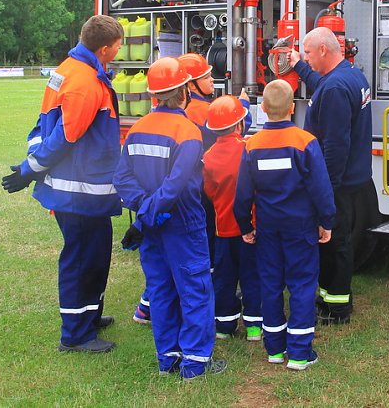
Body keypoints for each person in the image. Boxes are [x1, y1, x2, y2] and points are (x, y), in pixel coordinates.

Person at [1, 14, 123, 354]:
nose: (117, 52)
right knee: (82, 259)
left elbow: (43, 124)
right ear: (103, 48)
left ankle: (89, 316)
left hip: (83, 187)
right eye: (116, 47)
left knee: (95, 256)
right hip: (78, 191)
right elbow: (63, 136)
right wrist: (29, 170)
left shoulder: (68, 69)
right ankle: (76, 335)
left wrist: (32, 168)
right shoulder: (84, 82)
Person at [113, 57, 226, 380]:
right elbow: (175, 187)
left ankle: (168, 360)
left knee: (161, 290)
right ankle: (194, 364)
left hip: (152, 228)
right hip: (183, 224)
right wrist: (150, 212)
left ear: (153, 96)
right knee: (194, 291)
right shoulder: (187, 132)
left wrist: (143, 214)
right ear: (183, 93)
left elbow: (122, 179)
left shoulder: (136, 130)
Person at [131, 52, 252, 325]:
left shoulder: (156, 120)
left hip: (169, 196)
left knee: (161, 262)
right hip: (194, 198)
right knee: (194, 258)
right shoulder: (200, 111)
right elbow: (232, 130)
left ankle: (146, 308)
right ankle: (174, 315)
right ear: (189, 86)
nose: (212, 80)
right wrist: (242, 104)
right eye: (206, 77)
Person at [233, 80, 335, 370]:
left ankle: (275, 350)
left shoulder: (251, 145)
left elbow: (242, 193)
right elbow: (321, 188)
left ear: (263, 109)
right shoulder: (305, 142)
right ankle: (300, 354)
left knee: (270, 284)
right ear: (293, 108)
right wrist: (326, 220)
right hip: (300, 226)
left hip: (267, 228)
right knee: (302, 285)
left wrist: (244, 225)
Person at [288, 27, 376, 325]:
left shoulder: (336, 88)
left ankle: (336, 308)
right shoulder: (351, 75)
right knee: (338, 240)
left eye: (309, 53)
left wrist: (324, 188)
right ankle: (330, 297)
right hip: (357, 178)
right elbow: (322, 84)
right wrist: (298, 64)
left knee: (335, 242)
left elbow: (335, 146)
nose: (308, 59)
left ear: (324, 50)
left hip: (338, 182)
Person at [202, 95, 262, 342]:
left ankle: (224, 326)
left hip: (223, 229)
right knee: (252, 277)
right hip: (250, 229)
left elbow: (208, 190)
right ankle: (254, 327)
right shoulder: (248, 149)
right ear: (240, 125)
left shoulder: (208, 156)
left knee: (224, 279)